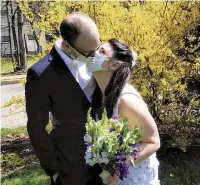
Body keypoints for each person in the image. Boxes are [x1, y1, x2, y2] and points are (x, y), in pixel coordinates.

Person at [25, 13, 103, 185]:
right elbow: (36, 127)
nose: (96, 55)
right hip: (70, 166)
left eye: (98, 45)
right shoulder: (41, 74)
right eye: (90, 52)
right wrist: (53, 169)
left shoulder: (95, 53)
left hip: (105, 159)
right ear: (67, 45)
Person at [87, 38, 160, 185]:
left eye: (102, 51)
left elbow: (153, 142)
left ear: (113, 64)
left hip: (134, 177)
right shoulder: (98, 93)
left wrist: (120, 169)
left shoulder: (126, 101)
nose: (94, 54)